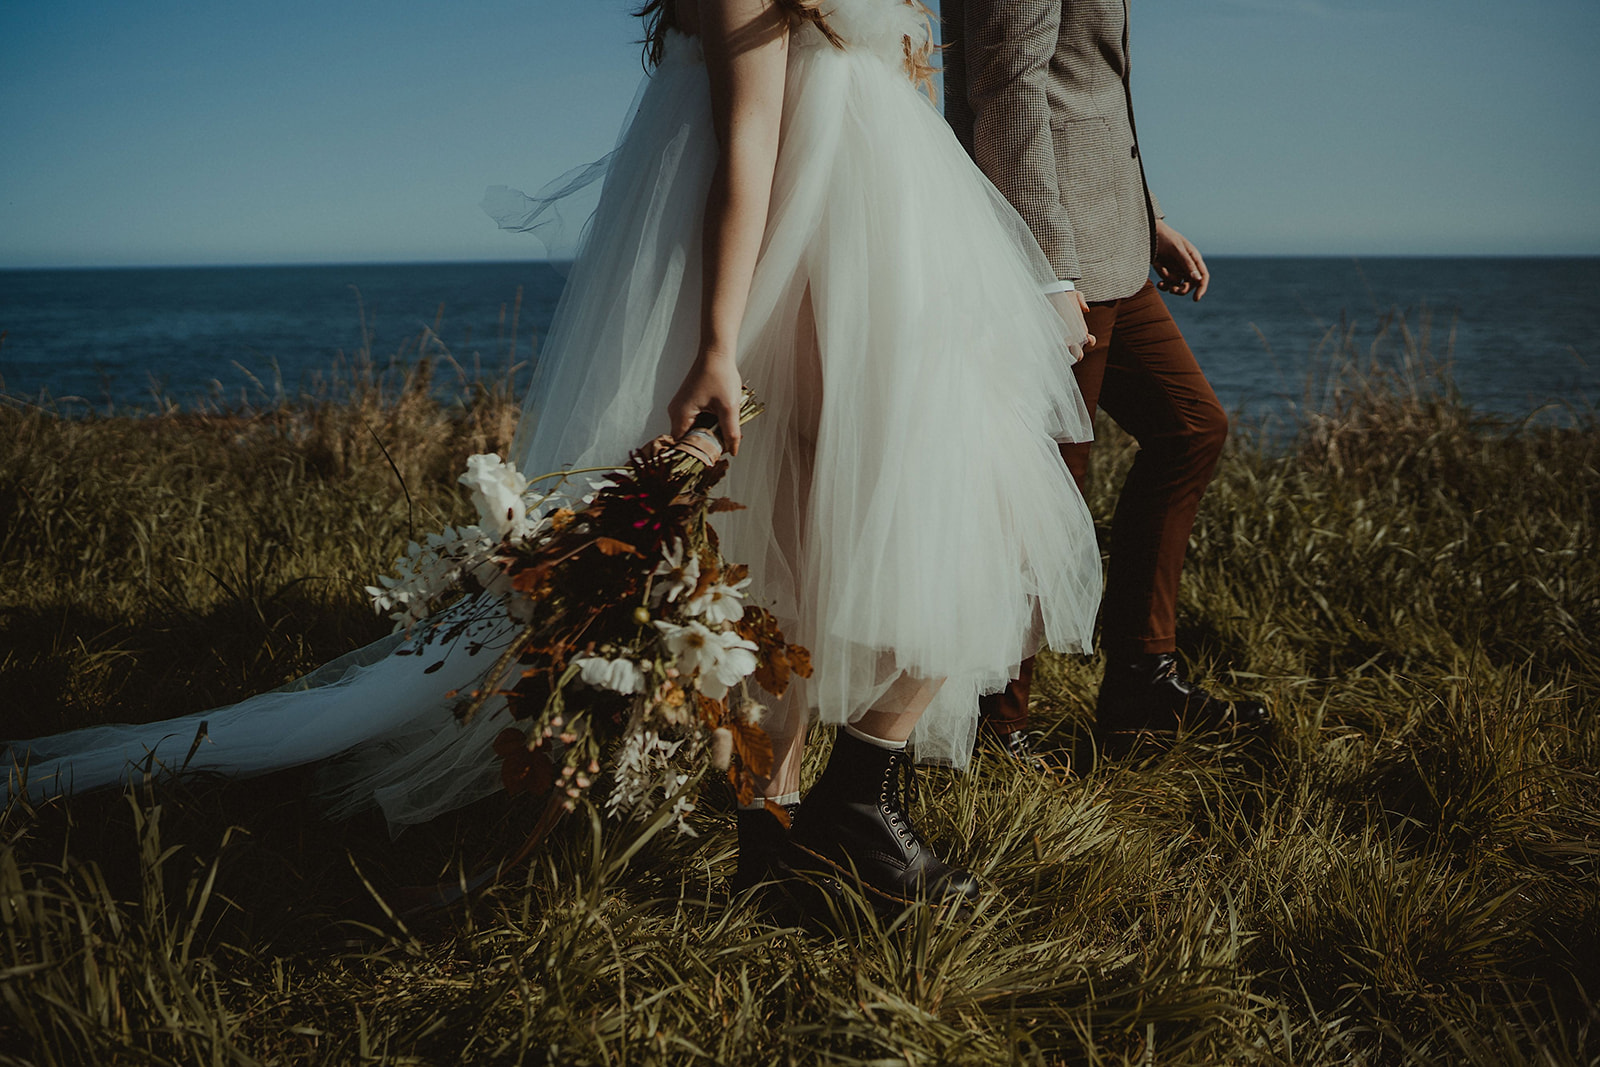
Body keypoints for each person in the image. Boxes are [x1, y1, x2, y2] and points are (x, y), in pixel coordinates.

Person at [8, 0, 1103, 911]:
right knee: (928, 518)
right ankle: (832, 808)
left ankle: (793, 826)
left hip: (886, 257)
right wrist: (718, 341)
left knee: (833, 543)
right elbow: (745, 151)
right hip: (807, 265)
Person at [941, 0, 1270, 759]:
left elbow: (1088, 86)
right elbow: (1009, 86)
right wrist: (1047, 267)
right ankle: (998, 728)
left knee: (1191, 426)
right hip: (1057, 258)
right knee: (1047, 483)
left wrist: (1146, 216)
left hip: (1112, 241)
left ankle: (1140, 682)